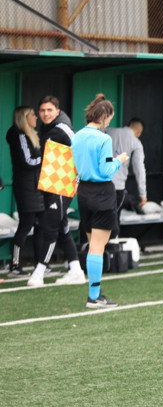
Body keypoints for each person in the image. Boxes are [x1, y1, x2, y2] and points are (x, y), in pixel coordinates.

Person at [71, 94, 129, 308]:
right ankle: (94, 296)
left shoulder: (77, 136)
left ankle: (95, 293)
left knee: (92, 244)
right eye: (109, 119)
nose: (109, 124)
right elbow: (106, 170)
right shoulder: (104, 139)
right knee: (98, 246)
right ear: (104, 116)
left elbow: (76, 166)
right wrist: (119, 160)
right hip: (102, 192)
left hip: (84, 193)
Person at [34, 96, 86, 287]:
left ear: (57, 111)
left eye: (49, 110)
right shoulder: (46, 129)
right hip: (51, 184)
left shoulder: (63, 127)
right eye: (42, 110)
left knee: (51, 226)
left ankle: (39, 272)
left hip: (64, 184)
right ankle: (76, 269)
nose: (45, 114)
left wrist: (78, 180)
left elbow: (80, 150)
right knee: (62, 227)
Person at [5, 106, 44, 278]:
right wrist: (46, 158)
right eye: (33, 115)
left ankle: (40, 264)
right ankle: (15, 265)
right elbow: (28, 161)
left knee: (40, 226)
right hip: (25, 187)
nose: (37, 117)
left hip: (36, 187)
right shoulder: (19, 134)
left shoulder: (31, 134)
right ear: (24, 118)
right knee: (26, 224)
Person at [105, 118, 147, 238]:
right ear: (139, 132)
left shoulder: (109, 131)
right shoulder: (135, 142)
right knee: (113, 220)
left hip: (98, 183)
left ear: (127, 125)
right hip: (117, 187)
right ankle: (111, 252)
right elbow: (139, 168)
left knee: (95, 220)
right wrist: (143, 194)